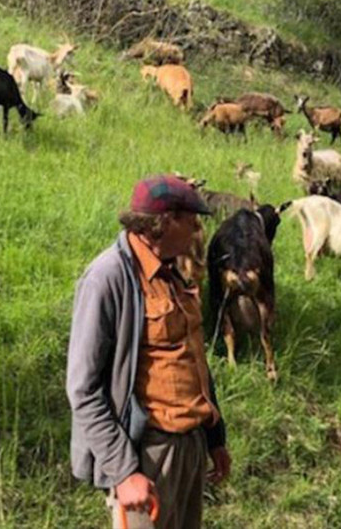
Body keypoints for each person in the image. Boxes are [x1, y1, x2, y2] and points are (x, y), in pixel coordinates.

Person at [66, 175, 231, 529]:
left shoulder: (172, 273)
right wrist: (124, 473)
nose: (197, 231)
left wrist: (215, 436)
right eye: (192, 221)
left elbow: (193, 358)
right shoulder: (106, 279)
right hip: (147, 454)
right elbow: (82, 389)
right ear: (166, 221)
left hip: (190, 445)